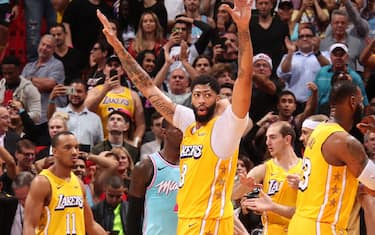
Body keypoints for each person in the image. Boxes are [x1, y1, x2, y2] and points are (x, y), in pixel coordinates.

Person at [97, 0, 253, 232]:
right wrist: (117, 46)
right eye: (197, 95)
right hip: (186, 223)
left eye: (207, 95)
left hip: (211, 224)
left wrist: (242, 29)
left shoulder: (227, 127)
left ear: (218, 99)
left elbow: (244, 77)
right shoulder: (189, 122)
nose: (201, 100)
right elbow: (147, 87)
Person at [287, 80, 375, 234]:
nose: (363, 107)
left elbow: (328, 180)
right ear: (352, 101)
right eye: (361, 102)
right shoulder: (343, 141)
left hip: (301, 224)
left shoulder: (320, 131)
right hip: (321, 227)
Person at [23, 131, 107, 235]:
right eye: (68, 147)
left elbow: (90, 225)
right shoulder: (42, 182)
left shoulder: (78, 183)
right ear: (55, 151)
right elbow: (29, 226)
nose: (74, 152)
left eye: (76, 147)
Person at [233, 121, 302, 234]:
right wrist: (243, 187)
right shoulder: (263, 169)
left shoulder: (305, 168)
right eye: (267, 138)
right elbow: (234, 194)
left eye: (273, 137)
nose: (267, 142)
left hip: (298, 229)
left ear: (287, 139)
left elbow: (309, 210)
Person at [127, 119, 182, 235]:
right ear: (164, 132)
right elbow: (133, 216)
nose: (183, 132)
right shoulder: (146, 166)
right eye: (178, 128)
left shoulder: (193, 167)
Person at [47, 79, 104, 152]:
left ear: (86, 94)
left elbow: (99, 145)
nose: (75, 94)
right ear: (68, 92)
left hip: (87, 160)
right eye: (72, 91)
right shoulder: (58, 113)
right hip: (63, 158)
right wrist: (52, 98)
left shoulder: (95, 118)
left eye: (79, 91)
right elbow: (49, 118)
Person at [0, 55, 41, 123]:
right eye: (4, 73)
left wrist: (19, 115)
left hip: (23, 130)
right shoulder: (0, 86)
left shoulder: (30, 89)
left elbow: (37, 115)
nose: (7, 76)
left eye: (10, 73)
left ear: (19, 70)